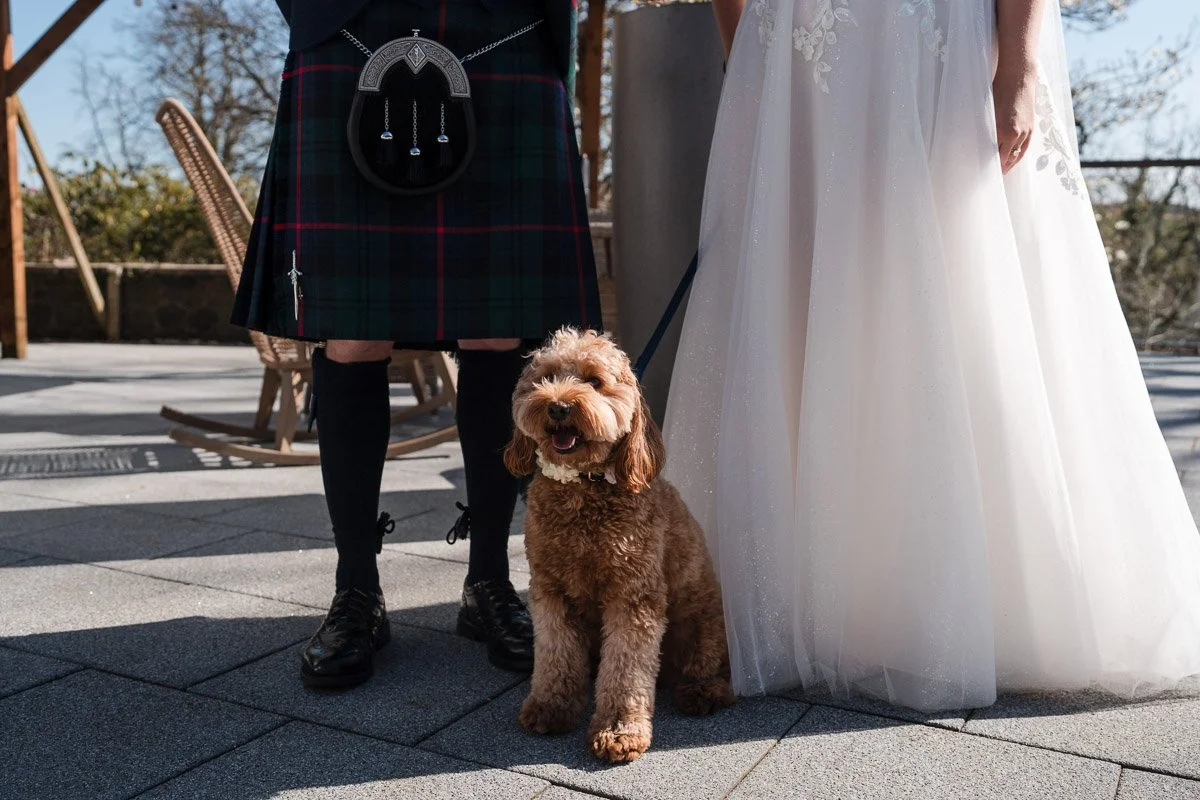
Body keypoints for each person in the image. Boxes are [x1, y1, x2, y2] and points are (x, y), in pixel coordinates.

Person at [664, 0, 1200, 712]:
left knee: (955, 275)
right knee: (807, 286)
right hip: (798, 51)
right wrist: (753, 55)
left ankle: (964, 594)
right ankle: (816, 595)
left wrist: (1019, 65)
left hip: (934, 46)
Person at [234, 0, 602, 688]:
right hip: (346, 25)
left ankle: (488, 581)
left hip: (508, 28)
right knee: (351, 332)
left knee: (500, 327)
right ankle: (356, 591)